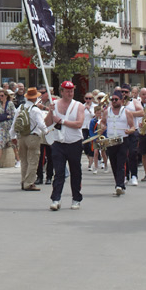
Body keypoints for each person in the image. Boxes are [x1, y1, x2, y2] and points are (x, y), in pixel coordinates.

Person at [46, 81, 87, 211]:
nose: (70, 93)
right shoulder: (55, 105)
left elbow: (79, 124)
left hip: (74, 143)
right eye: (67, 91)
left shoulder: (78, 105)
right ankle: (56, 199)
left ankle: (76, 199)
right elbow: (47, 123)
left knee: (76, 172)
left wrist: (62, 121)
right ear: (61, 91)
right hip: (58, 143)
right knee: (59, 172)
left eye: (71, 91)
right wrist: (50, 112)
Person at [101, 91, 137, 196]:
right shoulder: (107, 111)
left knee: (121, 162)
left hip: (122, 140)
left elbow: (133, 127)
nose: (114, 101)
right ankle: (119, 184)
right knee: (113, 163)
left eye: (116, 99)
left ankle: (119, 185)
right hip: (111, 140)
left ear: (121, 100)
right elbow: (103, 122)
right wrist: (102, 127)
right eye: (112, 99)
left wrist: (129, 131)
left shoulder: (127, 112)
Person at [16, 87, 45, 190]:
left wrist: (13, 136)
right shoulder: (35, 110)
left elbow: (15, 122)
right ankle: (29, 183)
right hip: (33, 136)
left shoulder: (20, 108)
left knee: (24, 161)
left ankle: (23, 181)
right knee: (33, 160)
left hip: (22, 136)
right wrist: (46, 131)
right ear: (35, 98)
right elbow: (41, 124)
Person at [0, 88, 16, 169]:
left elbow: (13, 115)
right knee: (0, 143)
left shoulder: (10, 104)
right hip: (2, 128)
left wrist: (5, 116)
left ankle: (18, 160)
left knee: (13, 144)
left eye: (2, 95)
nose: (0, 97)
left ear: (6, 96)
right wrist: (6, 116)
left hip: (10, 128)